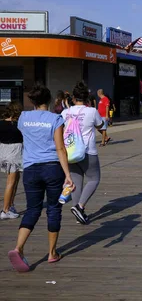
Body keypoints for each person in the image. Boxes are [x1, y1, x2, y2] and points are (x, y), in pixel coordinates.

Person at [9, 83, 74, 272]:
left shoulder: (23, 118)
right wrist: (68, 175)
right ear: (49, 100)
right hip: (53, 168)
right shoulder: (55, 119)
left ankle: (18, 247)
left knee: (32, 209)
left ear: (32, 101)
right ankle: (52, 253)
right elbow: (60, 148)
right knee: (53, 209)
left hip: (30, 169)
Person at [62, 82, 104, 225]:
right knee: (94, 179)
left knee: (76, 182)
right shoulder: (91, 111)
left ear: (73, 98)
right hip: (87, 151)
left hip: (70, 152)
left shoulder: (65, 113)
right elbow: (100, 125)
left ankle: (79, 214)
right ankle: (79, 206)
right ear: (87, 98)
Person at [0, 102, 23, 219]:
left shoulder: (1, 123)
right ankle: (5, 210)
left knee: (15, 179)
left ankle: (10, 205)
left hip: (3, 153)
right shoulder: (18, 125)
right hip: (14, 154)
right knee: (11, 182)